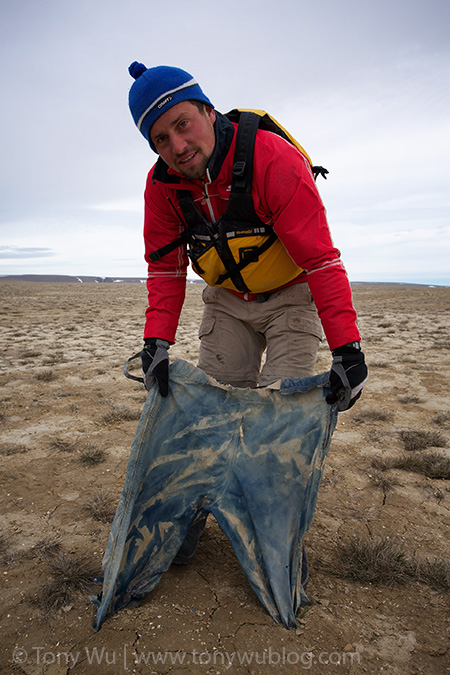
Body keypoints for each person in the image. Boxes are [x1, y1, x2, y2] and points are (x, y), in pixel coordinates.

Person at [127, 62, 368, 562]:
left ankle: (270, 538)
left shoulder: (272, 160)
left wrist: (348, 350)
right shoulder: (162, 189)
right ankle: (185, 525)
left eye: (182, 124)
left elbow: (322, 261)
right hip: (226, 303)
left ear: (208, 111)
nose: (177, 146)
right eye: (160, 139)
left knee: (279, 425)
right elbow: (166, 269)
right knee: (208, 416)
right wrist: (157, 342)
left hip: (290, 298)